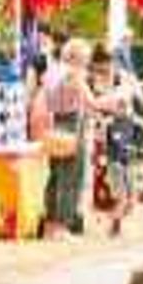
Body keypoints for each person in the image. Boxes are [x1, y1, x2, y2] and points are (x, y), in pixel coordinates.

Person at [41, 39, 96, 240]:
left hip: (55, 124)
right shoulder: (75, 74)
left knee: (55, 175)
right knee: (71, 176)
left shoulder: (52, 72)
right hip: (73, 125)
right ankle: (62, 226)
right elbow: (92, 102)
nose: (87, 63)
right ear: (76, 57)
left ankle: (50, 224)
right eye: (85, 59)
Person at [88, 48, 143, 238]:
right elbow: (93, 106)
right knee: (111, 183)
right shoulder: (90, 80)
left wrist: (107, 104)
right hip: (102, 138)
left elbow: (127, 99)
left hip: (123, 134)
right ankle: (114, 224)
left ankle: (116, 220)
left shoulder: (123, 78)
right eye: (100, 68)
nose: (104, 71)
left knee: (129, 188)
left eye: (106, 67)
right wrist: (104, 107)